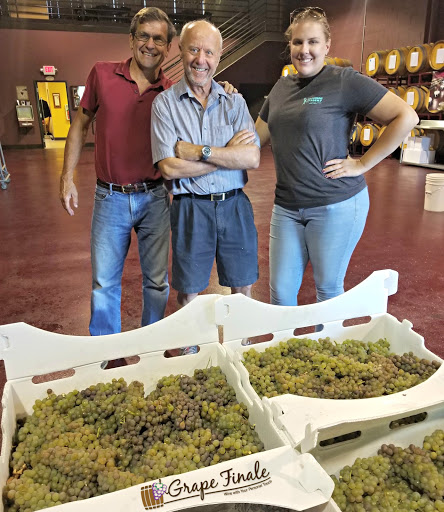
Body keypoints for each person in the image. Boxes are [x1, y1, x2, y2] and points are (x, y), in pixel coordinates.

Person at [255, 6, 419, 311]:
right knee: (280, 294)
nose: (304, 50)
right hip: (287, 207)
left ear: (327, 45)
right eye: (298, 42)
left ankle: (325, 343)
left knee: (328, 290)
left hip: (334, 204)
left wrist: (362, 164)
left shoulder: (344, 80)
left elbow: (406, 116)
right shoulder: (281, 88)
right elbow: (255, 140)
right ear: (289, 45)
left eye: (313, 42)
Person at [59, 7, 176, 344]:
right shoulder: (102, 74)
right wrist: (67, 176)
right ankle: (106, 352)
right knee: (104, 283)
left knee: (157, 282)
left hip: (155, 197)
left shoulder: (171, 91)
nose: (150, 44)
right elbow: (80, 123)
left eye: (159, 39)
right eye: (144, 36)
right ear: (131, 39)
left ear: (168, 47)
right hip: (110, 197)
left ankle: (151, 344)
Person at [151, 20, 260, 316]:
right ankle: (191, 344)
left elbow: (251, 158)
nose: (201, 60)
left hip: (235, 206)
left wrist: (198, 152)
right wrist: (227, 155)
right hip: (190, 208)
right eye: (194, 50)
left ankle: (240, 341)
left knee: (243, 288)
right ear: (180, 51)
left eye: (209, 52)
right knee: (189, 292)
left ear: (219, 56)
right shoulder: (164, 105)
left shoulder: (234, 102)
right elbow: (169, 168)